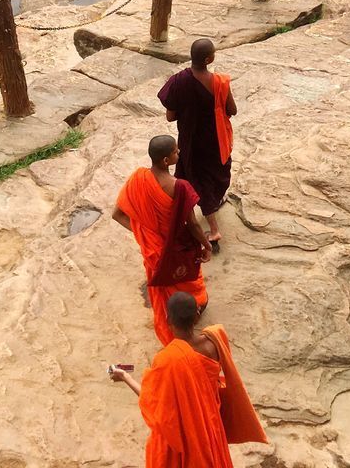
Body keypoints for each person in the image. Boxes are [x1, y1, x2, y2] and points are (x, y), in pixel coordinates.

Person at [110, 291, 268, 468]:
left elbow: (154, 405)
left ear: (168, 319)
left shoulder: (167, 360)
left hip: (185, 436)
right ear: (197, 315)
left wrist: (125, 376)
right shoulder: (214, 341)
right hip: (210, 426)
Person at [113, 135, 212, 345]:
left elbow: (117, 214)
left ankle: (172, 318)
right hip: (178, 248)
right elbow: (193, 224)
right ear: (166, 161)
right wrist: (206, 244)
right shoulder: (180, 187)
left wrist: (143, 233)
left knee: (163, 288)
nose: (179, 153)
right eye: (176, 151)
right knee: (190, 283)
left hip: (153, 249)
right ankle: (190, 313)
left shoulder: (138, 179)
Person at [157, 39, 236, 251]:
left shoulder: (178, 81)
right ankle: (214, 230)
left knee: (192, 178)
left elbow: (170, 117)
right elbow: (233, 110)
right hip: (215, 141)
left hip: (190, 142)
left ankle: (179, 214)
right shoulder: (220, 83)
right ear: (209, 59)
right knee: (214, 179)